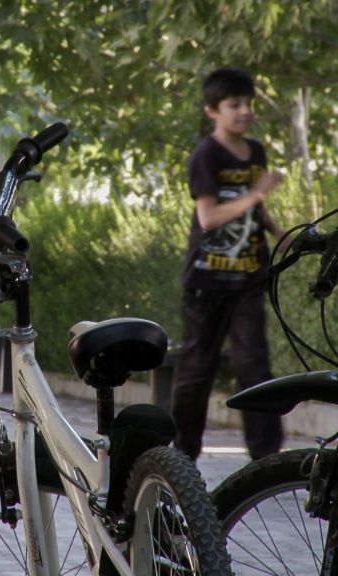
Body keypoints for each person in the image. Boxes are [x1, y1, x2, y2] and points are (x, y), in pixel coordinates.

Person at [171, 66, 285, 462]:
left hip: (249, 277)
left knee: (253, 363)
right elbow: (209, 218)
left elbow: (256, 208)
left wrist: (278, 231)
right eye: (233, 105)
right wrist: (256, 193)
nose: (243, 111)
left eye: (248, 103)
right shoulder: (206, 155)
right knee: (197, 371)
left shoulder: (254, 152)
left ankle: (267, 458)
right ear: (212, 111)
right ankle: (181, 455)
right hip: (207, 282)